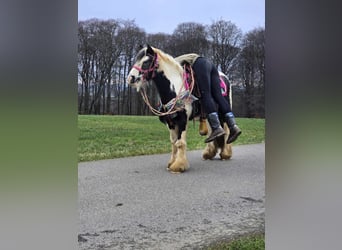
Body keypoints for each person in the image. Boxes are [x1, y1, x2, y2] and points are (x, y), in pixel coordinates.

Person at [175, 54, 242, 144]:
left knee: (205, 94)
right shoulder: (183, 58)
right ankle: (233, 126)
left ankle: (216, 127)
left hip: (200, 65)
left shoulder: (172, 62)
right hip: (210, 65)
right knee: (219, 96)